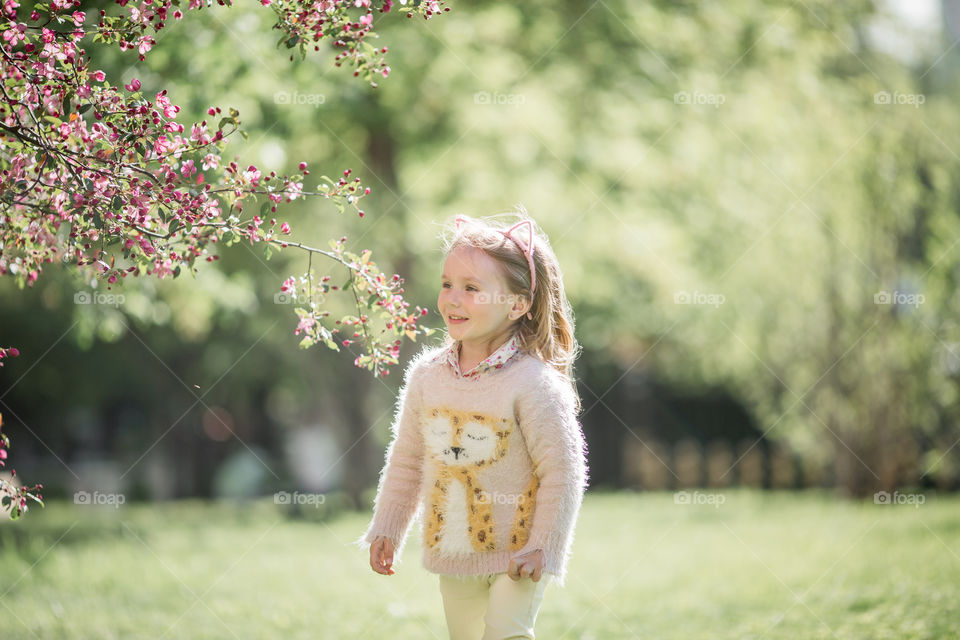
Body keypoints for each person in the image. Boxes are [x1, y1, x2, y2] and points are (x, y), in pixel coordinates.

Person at [353, 207, 590, 640]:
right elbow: (407, 459)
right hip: (456, 549)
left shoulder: (534, 384)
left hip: (519, 554)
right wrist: (387, 526)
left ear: (517, 304)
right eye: (447, 284)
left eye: (471, 288)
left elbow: (563, 472)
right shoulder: (427, 376)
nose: (452, 298)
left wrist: (543, 546)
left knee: (506, 633)